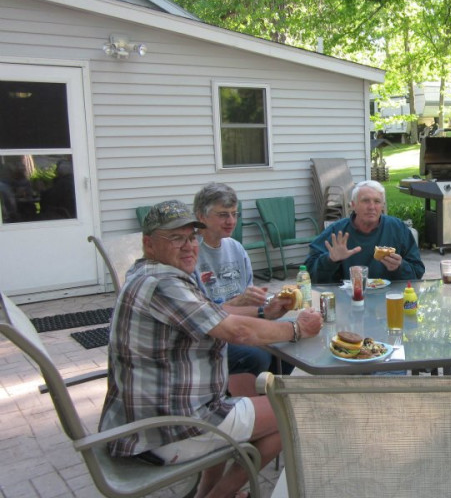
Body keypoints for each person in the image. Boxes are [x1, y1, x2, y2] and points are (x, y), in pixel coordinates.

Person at [99, 200, 323, 498]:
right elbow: (237, 332)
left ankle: (206, 492)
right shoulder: (162, 283)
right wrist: (297, 330)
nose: (189, 245)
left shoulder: (147, 274)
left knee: (249, 404)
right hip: (168, 429)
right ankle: (219, 495)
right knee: (296, 409)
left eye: (192, 237)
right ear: (148, 244)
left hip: (161, 416)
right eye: (176, 238)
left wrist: (265, 314)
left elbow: (217, 317)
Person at [192, 183, 287, 396]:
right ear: (201, 216)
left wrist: (264, 301)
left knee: (286, 346)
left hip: (242, 321)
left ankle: (275, 400)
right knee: (257, 356)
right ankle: (242, 405)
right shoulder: (190, 254)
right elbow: (199, 315)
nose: (231, 221)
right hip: (211, 335)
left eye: (235, 214)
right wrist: (241, 304)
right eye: (223, 215)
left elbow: (251, 297)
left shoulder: (235, 248)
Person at [305, 179, 424, 283]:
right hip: (347, 299)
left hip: (389, 298)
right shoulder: (337, 231)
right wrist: (330, 260)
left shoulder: (397, 228)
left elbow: (418, 272)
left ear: (382, 206)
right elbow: (307, 274)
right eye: (365, 201)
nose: (372, 207)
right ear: (353, 205)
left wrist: (400, 267)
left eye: (377, 201)